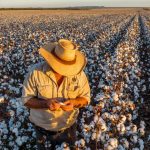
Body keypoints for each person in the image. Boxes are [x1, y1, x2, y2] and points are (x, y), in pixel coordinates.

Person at [22, 39, 91, 149]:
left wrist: (74, 103)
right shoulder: (35, 72)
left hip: (68, 128)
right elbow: (26, 100)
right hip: (42, 129)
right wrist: (46, 104)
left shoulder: (79, 75)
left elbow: (86, 98)